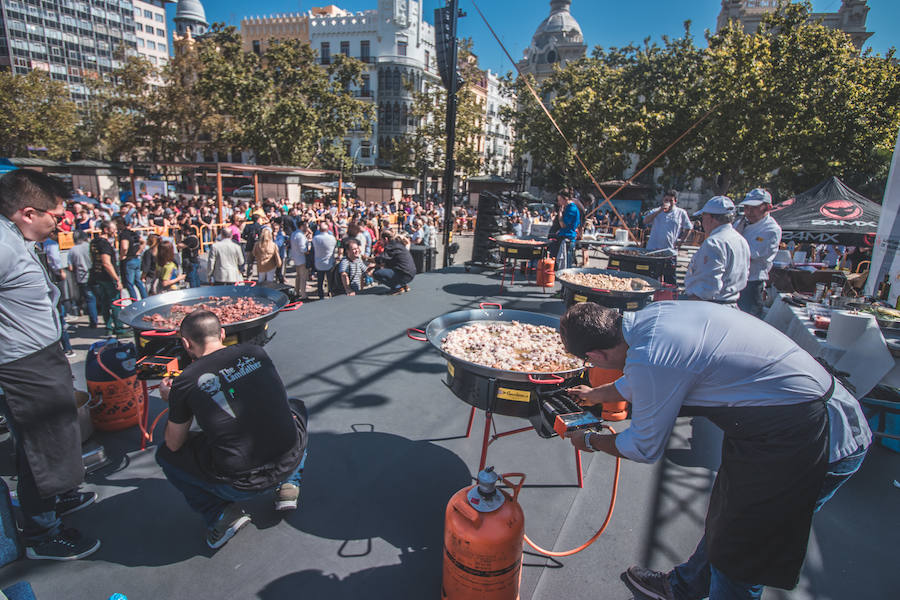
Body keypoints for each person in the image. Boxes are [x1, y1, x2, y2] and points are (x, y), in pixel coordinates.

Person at [558, 301, 871, 600]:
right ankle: (684, 587)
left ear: (596, 354)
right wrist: (597, 393)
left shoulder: (652, 356)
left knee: (743, 553)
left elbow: (642, 447)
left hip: (814, 438)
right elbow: (649, 374)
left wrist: (588, 440)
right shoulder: (652, 319)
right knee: (729, 520)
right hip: (778, 430)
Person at [0, 169, 100, 560]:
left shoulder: (15, 239)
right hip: (23, 364)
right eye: (55, 217)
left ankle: (57, 499)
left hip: (40, 355)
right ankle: (44, 534)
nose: (59, 225)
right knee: (43, 446)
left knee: (56, 438)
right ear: (28, 212)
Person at [156, 311, 308, 549]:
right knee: (295, 406)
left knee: (165, 454)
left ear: (185, 343)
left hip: (239, 483)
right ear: (223, 334)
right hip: (288, 458)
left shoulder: (185, 381)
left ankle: (221, 515)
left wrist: (172, 398)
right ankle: (289, 482)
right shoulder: (255, 352)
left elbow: (174, 443)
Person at [682, 196, 750, 306]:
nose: (702, 222)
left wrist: (693, 302)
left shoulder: (714, 242)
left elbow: (708, 287)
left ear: (710, 218)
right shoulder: (741, 240)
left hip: (711, 306)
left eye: (703, 218)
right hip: (731, 303)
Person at [735, 188, 782, 317]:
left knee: (748, 319)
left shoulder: (771, 229)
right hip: (734, 279)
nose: (749, 212)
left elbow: (750, 254)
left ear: (768, 207)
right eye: (746, 207)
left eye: (754, 208)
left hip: (752, 282)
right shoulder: (740, 222)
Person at [644, 190, 692, 284]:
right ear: (663, 200)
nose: (668, 202)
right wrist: (660, 211)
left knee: (670, 279)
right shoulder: (656, 211)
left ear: (675, 201)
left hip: (669, 251)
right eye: (666, 200)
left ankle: (669, 296)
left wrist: (681, 241)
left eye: (671, 200)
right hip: (653, 250)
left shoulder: (681, 213)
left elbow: (688, 227)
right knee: (651, 278)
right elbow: (645, 221)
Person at [88, 219, 127, 335]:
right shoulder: (104, 244)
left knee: (105, 302)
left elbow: (93, 258)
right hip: (108, 278)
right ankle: (119, 329)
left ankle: (108, 327)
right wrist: (117, 279)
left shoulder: (93, 242)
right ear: (106, 230)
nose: (115, 231)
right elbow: (106, 263)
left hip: (97, 276)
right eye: (113, 229)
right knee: (115, 303)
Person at [67, 230, 98, 328]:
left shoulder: (72, 250)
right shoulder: (89, 246)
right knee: (100, 297)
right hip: (95, 275)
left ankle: (94, 321)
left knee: (90, 300)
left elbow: (70, 267)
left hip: (81, 277)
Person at [371, 229, 416, 294]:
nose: (380, 242)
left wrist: (366, 259)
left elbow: (379, 259)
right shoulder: (398, 244)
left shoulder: (390, 247)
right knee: (388, 266)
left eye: (381, 240)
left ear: (386, 239)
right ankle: (403, 285)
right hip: (411, 272)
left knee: (376, 273)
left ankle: (397, 288)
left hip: (405, 274)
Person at [115, 216, 146, 299]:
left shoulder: (124, 234)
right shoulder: (134, 233)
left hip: (129, 260)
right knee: (138, 282)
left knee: (129, 284)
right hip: (136, 259)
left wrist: (122, 256)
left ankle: (134, 302)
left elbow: (124, 247)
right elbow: (143, 242)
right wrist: (138, 252)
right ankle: (145, 298)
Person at [311, 221, 337, 299]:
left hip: (319, 262)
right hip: (329, 262)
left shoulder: (315, 238)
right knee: (330, 280)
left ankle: (321, 295)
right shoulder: (332, 238)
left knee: (320, 281)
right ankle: (330, 293)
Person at [289, 221, 311, 300]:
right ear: (302, 226)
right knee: (303, 278)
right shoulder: (300, 236)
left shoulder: (294, 234)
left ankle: (297, 291)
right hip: (302, 259)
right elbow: (303, 249)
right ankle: (303, 294)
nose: (307, 228)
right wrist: (309, 248)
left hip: (296, 258)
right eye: (306, 226)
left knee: (298, 277)